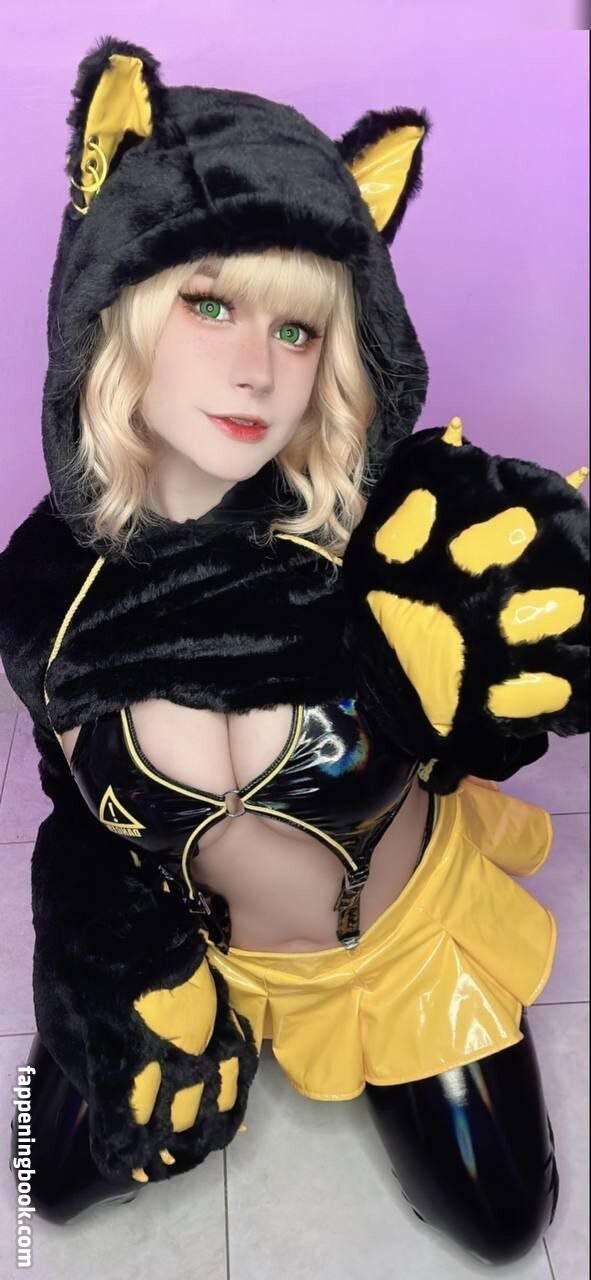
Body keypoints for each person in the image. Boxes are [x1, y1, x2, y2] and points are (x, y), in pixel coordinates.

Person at [0, 34, 587, 1265]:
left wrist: (495, 651)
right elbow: (76, 810)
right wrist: (116, 967)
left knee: (506, 1224)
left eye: (300, 328)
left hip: (394, 955)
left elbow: (523, 620)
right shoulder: (45, 584)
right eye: (209, 302)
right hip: (190, 952)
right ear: (119, 300)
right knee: (35, 1184)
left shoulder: (391, 530)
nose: (256, 372)